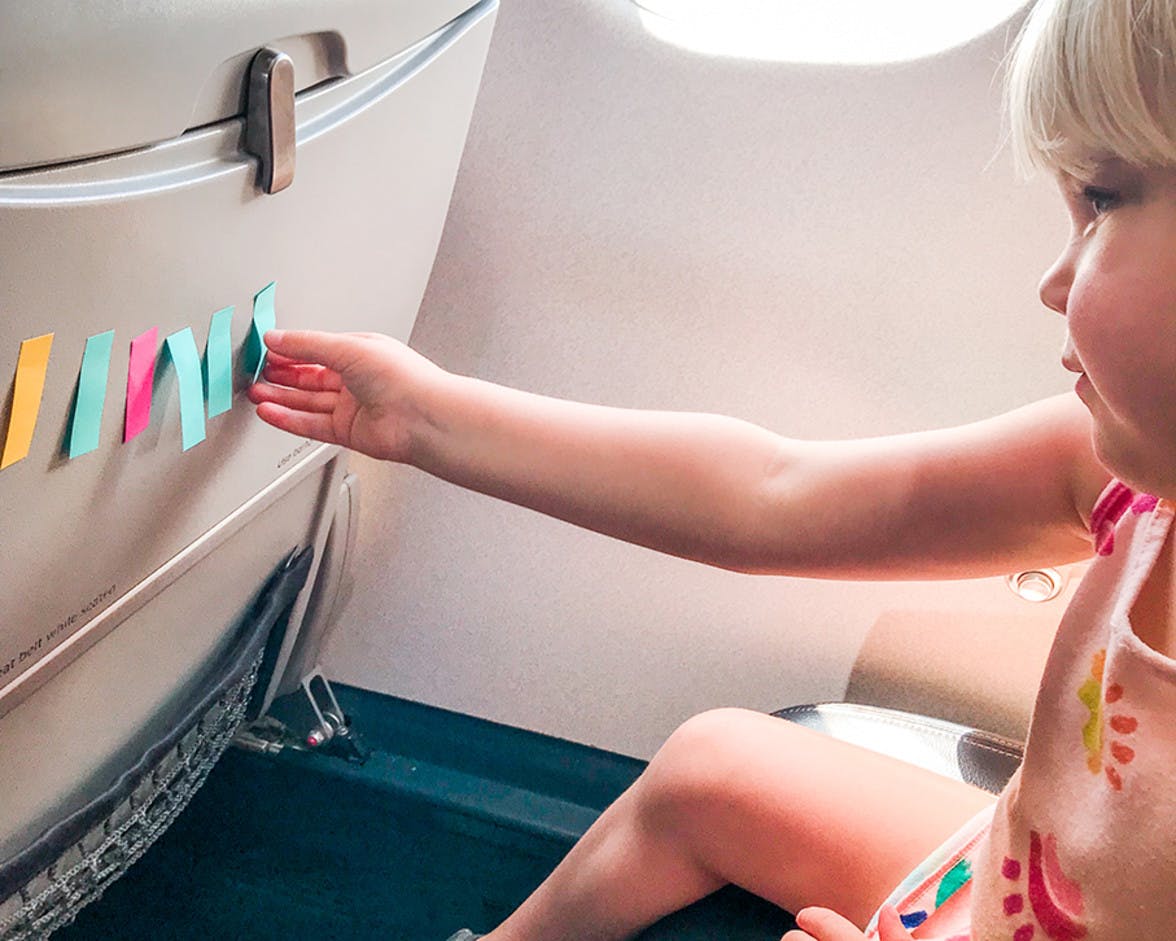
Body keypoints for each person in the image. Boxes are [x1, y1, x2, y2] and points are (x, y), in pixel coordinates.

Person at [247, 0, 1176, 936]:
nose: (1054, 281)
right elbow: (774, 495)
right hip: (1026, 873)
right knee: (712, 767)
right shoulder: (1123, 482)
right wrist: (424, 414)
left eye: (1101, 200)